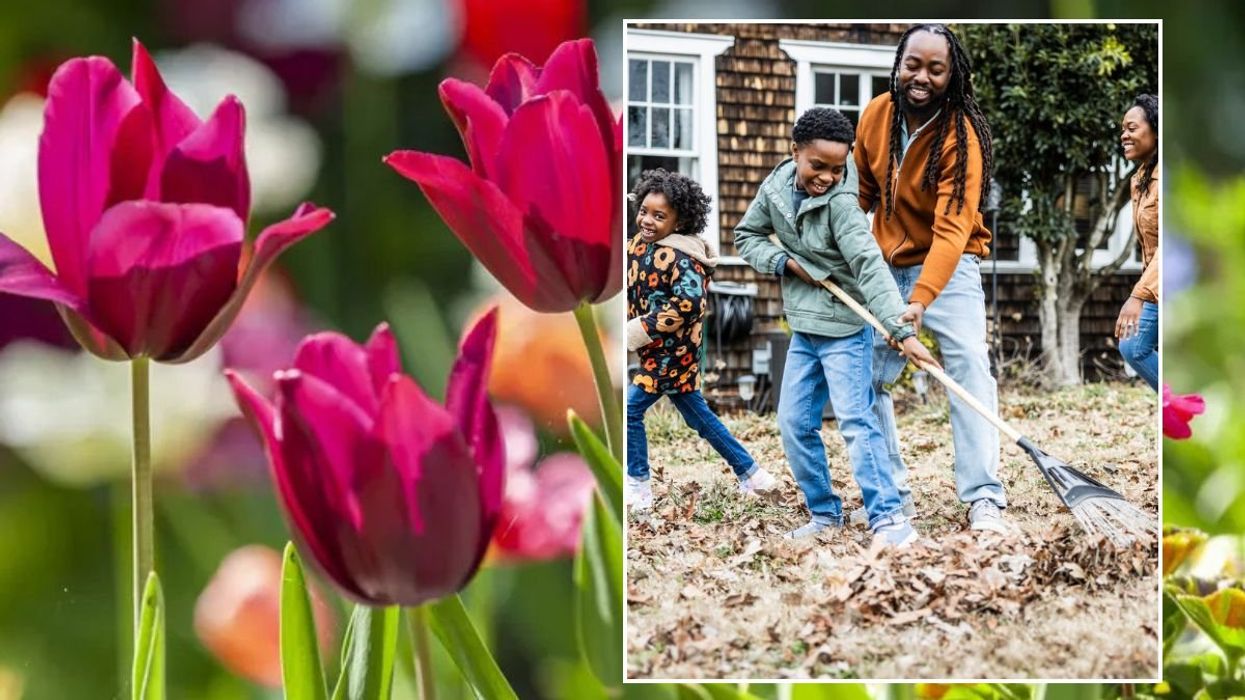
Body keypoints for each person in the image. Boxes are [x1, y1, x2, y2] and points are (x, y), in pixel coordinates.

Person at [734, 106, 939, 548]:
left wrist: (901, 331)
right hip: (806, 328)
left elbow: (869, 265)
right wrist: (786, 263)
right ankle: (825, 514)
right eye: (817, 166)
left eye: (837, 168)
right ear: (795, 153)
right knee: (793, 423)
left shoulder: (842, 207)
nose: (826, 176)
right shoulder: (775, 187)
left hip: (848, 327)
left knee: (856, 422)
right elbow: (746, 237)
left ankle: (889, 519)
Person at [853, 24, 1009, 534]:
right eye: (913, 65)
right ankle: (891, 493)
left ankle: (984, 496)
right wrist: (851, 253)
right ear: (899, 64)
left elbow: (952, 229)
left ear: (951, 74)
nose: (922, 77)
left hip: (951, 263)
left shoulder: (961, 136)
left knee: (967, 366)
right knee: (865, 375)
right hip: (883, 265)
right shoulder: (876, 114)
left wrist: (920, 300)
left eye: (935, 69)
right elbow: (860, 195)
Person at [625, 169, 779, 511]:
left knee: (628, 411)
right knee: (699, 417)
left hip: (673, 353)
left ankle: (638, 487)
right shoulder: (637, 246)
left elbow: (689, 303)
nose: (647, 220)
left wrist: (639, 329)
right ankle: (753, 475)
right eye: (644, 211)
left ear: (680, 221)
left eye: (659, 216)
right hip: (655, 352)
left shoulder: (683, 257)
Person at [1116, 93, 1159, 391]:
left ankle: (1174, 404)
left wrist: (1138, 296)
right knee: (1132, 346)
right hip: (1156, 285)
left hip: (1158, 285)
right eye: (1123, 129)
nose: (1124, 135)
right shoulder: (1140, 178)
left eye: (1132, 128)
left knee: (1134, 347)